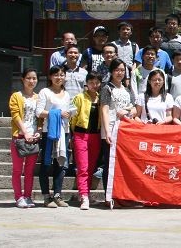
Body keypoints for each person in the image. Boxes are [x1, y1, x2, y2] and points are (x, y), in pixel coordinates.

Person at [36, 65, 73, 208]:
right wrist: (57, 113)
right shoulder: (45, 92)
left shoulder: (67, 94)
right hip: (49, 132)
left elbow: (67, 112)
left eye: (62, 75)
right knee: (46, 164)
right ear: (50, 77)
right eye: (56, 75)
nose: (59, 77)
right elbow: (39, 112)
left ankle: (57, 195)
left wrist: (68, 114)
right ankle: (46, 196)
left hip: (64, 132)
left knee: (61, 164)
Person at [99, 59, 136, 193]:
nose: (120, 73)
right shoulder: (107, 88)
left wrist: (126, 110)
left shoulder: (127, 90)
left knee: (122, 163)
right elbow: (104, 110)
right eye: (117, 70)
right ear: (111, 71)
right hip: (111, 129)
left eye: (122, 70)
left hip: (125, 130)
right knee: (109, 163)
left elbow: (134, 109)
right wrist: (107, 132)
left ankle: (120, 193)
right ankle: (108, 195)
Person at [70, 72, 102, 210]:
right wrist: (73, 134)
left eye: (97, 82)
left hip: (96, 135)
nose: (94, 85)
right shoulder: (80, 97)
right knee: (82, 167)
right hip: (81, 134)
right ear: (86, 83)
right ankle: (83, 196)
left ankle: (86, 193)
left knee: (91, 167)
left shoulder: (101, 98)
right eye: (91, 82)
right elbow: (73, 118)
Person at [8, 68, 40, 208]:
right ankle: (18, 197)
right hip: (20, 136)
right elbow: (15, 115)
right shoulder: (16, 96)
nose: (31, 81)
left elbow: (40, 118)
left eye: (34, 78)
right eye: (28, 78)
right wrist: (25, 132)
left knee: (30, 170)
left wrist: (39, 131)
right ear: (23, 79)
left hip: (33, 137)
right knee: (17, 169)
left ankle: (27, 196)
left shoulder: (38, 97)